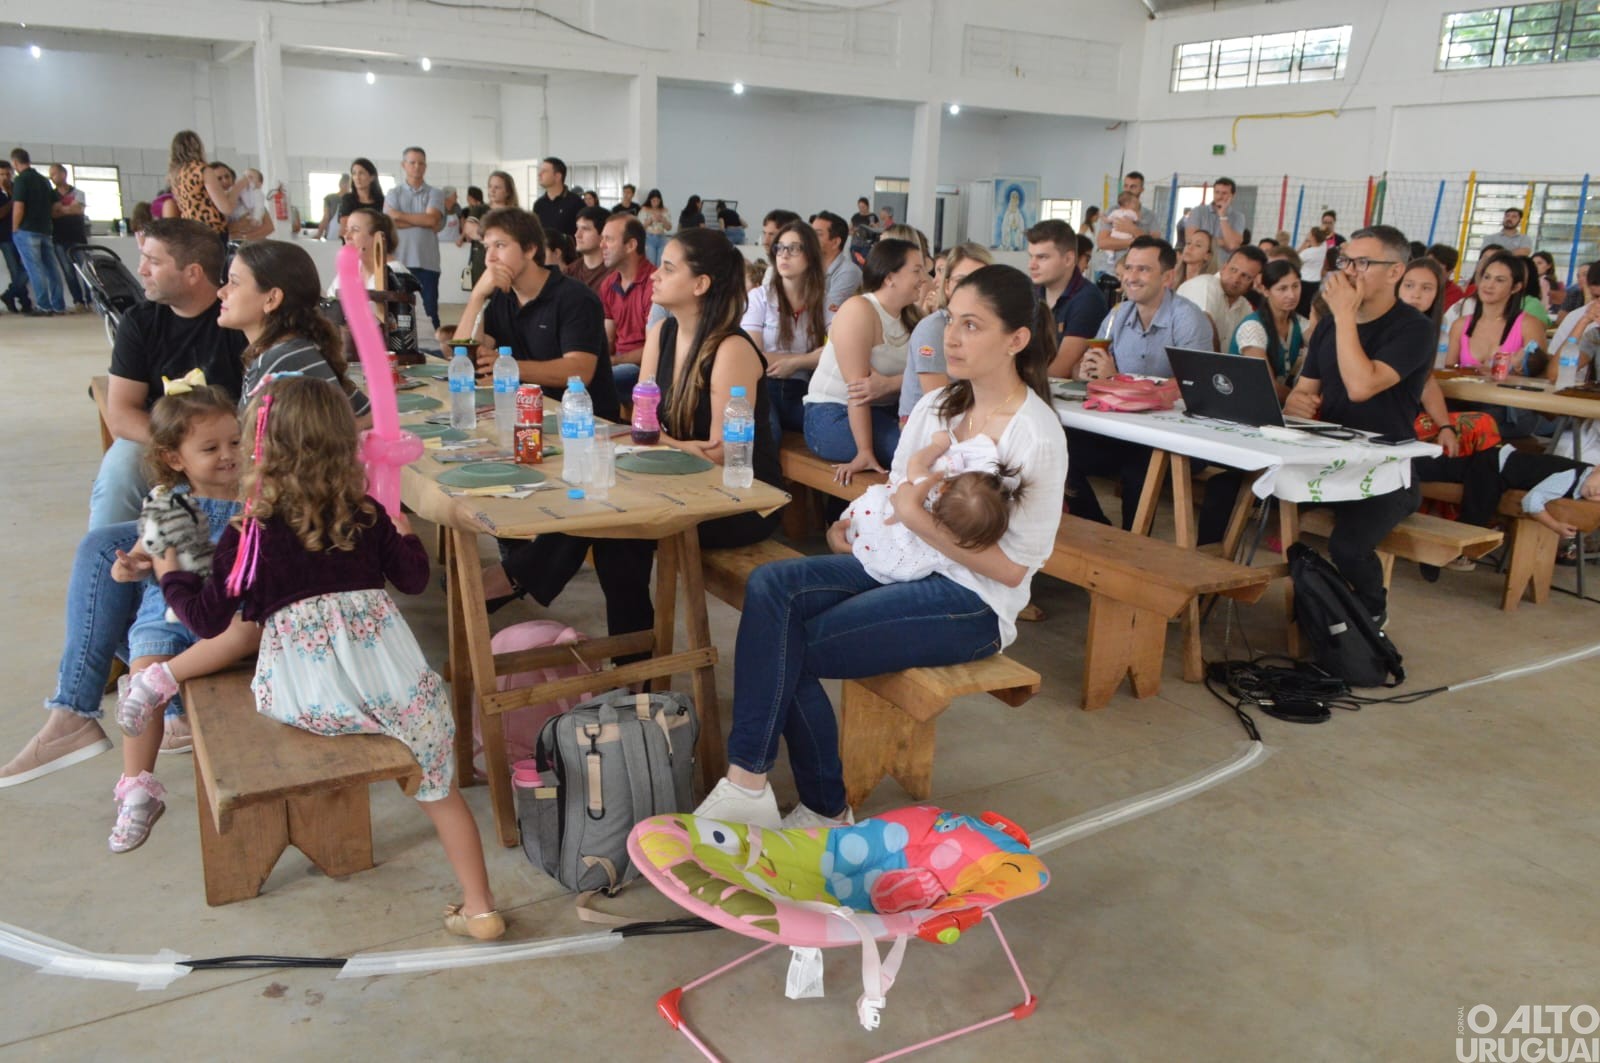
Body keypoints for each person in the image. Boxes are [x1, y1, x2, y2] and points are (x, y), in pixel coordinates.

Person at [693, 264, 1067, 828]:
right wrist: (852, 519)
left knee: (796, 646)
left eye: (973, 325)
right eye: (951, 321)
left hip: (973, 599)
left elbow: (1015, 569)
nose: (953, 338)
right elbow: (895, 487)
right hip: (902, 563)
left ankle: (820, 805)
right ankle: (749, 781)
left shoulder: (1035, 433)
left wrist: (918, 519)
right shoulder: (942, 407)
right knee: (772, 585)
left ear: (1016, 340)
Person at [158, 375, 504, 939]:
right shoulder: (366, 511)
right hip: (395, 691)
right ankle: (481, 906)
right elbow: (415, 581)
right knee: (438, 788)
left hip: (306, 700)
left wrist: (170, 575)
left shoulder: (250, 533)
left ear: (261, 449)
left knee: (245, 652)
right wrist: (404, 531)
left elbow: (206, 620)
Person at [479, 228, 777, 639]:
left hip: (740, 498)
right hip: (681, 474)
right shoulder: (664, 333)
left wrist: (656, 441)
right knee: (607, 518)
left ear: (701, 284)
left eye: (668, 268)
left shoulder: (730, 349)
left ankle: (515, 579)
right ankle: (633, 668)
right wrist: (648, 440)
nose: (655, 275)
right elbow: (645, 424)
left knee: (617, 529)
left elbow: (723, 452)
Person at [101, 387, 257, 851]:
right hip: (169, 611)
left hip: (228, 614)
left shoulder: (257, 495)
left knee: (247, 632)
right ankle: (136, 789)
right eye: (210, 448)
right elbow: (140, 555)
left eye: (235, 441)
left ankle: (159, 681)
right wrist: (126, 566)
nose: (229, 455)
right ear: (174, 458)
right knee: (142, 668)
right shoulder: (168, 502)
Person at [1282, 226, 1434, 625]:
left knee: (1348, 546)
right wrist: (1296, 402)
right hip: (1330, 456)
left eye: (1363, 263)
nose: (1349, 272)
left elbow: (1361, 386)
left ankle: (1369, 616)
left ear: (1394, 272)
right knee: (1239, 492)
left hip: (1387, 468)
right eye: (1345, 261)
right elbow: (1305, 392)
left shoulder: (1413, 328)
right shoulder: (1331, 325)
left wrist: (1345, 315)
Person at [92, 219, 248, 528]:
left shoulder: (239, 320)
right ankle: (113, 561)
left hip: (233, 444)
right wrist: (183, 450)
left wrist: (215, 448)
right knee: (121, 470)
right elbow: (122, 414)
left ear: (192, 273)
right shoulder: (139, 322)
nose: (141, 270)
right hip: (158, 439)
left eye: (153, 261)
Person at [1069, 237, 1211, 530]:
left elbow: (1194, 387)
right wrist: (1086, 371)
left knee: (1139, 472)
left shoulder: (1188, 319)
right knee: (1059, 449)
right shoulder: (1117, 315)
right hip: (1126, 431)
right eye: (1129, 268)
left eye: (1144, 270)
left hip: (1176, 439)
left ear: (1168, 277)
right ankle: (1102, 531)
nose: (1131, 277)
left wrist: (1117, 380)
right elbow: (1092, 370)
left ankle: (1134, 550)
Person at [456, 207, 616, 417]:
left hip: (581, 424)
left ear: (530, 249)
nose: (490, 258)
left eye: (500, 245)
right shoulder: (500, 297)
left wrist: (507, 367)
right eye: (486, 248)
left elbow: (579, 370)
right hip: (525, 414)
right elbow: (462, 360)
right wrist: (476, 296)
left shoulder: (577, 298)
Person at [802, 238, 924, 482]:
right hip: (834, 412)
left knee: (929, 445)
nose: (924, 278)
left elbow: (925, 376)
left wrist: (891, 384)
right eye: (917, 270)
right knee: (909, 452)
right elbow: (857, 390)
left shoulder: (912, 317)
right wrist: (864, 452)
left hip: (884, 411)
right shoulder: (858, 309)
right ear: (890, 277)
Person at [834, 429, 1022, 584]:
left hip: (867, 518)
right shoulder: (949, 539)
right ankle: (859, 550)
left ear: (946, 486)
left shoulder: (929, 489)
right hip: (886, 555)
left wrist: (938, 445)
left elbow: (915, 462)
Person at [222, 241, 370, 417]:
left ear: (272, 299)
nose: (222, 292)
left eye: (234, 282)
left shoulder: (280, 362)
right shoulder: (296, 348)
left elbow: (252, 442)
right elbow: (367, 414)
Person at [745, 220, 831, 436]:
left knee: (827, 430)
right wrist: (811, 357)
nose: (784, 255)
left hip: (804, 390)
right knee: (769, 433)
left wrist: (797, 363)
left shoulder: (823, 302)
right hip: (762, 387)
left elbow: (838, 351)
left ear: (810, 255)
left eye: (793, 249)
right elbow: (752, 355)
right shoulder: (759, 298)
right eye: (779, 248)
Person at [899, 243, 992, 420]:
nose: (971, 289)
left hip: (966, 414)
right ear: (947, 285)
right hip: (924, 424)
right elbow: (939, 405)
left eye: (981, 281)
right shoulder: (933, 328)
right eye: (962, 281)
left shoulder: (988, 326)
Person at [329, 208, 423, 358]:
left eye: (355, 230)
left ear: (377, 237)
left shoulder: (396, 274)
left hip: (413, 355)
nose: (346, 236)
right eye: (347, 230)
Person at [1025, 220, 1106, 378]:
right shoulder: (1030, 292)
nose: (1031, 265)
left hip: (1063, 395)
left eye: (1042, 257)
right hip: (1030, 384)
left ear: (1068, 259)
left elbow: (1061, 370)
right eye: (1031, 256)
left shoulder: (1088, 300)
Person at [384, 147, 445, 331]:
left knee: (429, 310)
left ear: (425, 166)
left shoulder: (435, 193)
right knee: (398, 310)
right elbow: (390, 221)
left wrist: (401, 216)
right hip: (399, 262)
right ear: (404, 165)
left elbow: (432, 219)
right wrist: (422, 221)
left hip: (427, 264)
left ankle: (435, 353)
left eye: (421, 163)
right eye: (412, 162)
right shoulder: (393, 193)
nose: (417, 167)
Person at [1230, 258, 1308, 394]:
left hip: (1275, 404)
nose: (1291, 295)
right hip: (1244, 402)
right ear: (1265, 291)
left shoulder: (1298, 322)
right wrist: (1297, 400)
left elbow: (1321, 343)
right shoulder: (1252, 327)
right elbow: (1265, 385)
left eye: (1296, 286)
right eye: (1282, 288)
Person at [599, 211, 655, 396]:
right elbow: (608, 338)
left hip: (645, 368)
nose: (602, 246)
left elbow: (657, 347)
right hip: (618, 363)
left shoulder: (655, 283)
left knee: (601, 381)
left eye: (609, 239)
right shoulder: (609, 284)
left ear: (631, 245)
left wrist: (613, 361)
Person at [8, 148, 67, 315]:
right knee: (51, 269)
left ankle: (43, 305)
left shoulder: (21, 180)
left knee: (35, 269)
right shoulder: (43, 180)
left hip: (27, 230)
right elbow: (56, 206)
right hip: (46, 230)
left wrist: (14, 228)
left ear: (15, 163)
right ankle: (58, 305)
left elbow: (19, 206)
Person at [1179, 245, 1267, 350]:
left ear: (1254, 282)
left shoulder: (1244, 306)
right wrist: (1219, 365)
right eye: (1233, 270)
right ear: (1224, 267)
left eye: (1246, 276)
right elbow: (1205, 329)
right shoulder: (1205, 284)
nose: (1236, 279)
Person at [47, 163, 91, 311]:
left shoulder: (78, 193)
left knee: (85, 269)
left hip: (78, 237)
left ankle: (90, 300)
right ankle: (78, 301)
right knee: (68, 272)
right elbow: (53, 213)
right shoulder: (51, 195)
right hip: (60, 238)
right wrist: (69, 209)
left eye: (54, 174)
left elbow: (78, 210)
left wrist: (61, 209)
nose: (52, 177)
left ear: (63, 174)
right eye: (50, 175)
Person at [166, 131, 228, 237]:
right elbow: (226, 207)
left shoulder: (175, 174)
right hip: (211, 229)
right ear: (198, 147)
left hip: (190, 229)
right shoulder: (202, 170)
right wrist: (242, 184)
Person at [462, 169, 516, 288]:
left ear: (508, 192)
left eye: (497, 187)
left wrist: (485, 234)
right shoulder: (480, 209)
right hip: (481, 266)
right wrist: (499, 240)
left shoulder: (515, 214)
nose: (492, 190)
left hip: (508, 266)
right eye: (490, 186)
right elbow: (469, 229)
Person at [811, 210, 864, 315]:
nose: (809, 239)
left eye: (818, 234)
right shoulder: (808, 267)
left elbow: (826, 313)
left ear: (835, 242)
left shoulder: (849, 272)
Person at [0, 158, 34, 314]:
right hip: (5, 237)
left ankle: (10, 295)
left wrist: (13, 194)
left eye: (8, 174)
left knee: (26, 268)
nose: (5, 177)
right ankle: (24, 303)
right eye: (1, 174)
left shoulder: (16, 187)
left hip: (21, 234)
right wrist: (14, 200)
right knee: (15, 270)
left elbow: (25, 208)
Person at [1185, 177, 1247, 255]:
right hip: (1200, 264)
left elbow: (1232, 245)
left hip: (1223, 265)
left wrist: (1222, 216)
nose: (1220, 196)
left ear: (1232, 195)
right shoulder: (1198, 211)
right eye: (1217, 192)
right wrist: (1222, 242)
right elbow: (1190, 239)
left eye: (1224, 193)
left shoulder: (1238, 217)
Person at [564, 205, 612, 295]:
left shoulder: (616, 275)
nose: (577, 235)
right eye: (577, 228)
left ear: (603, 235)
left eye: (585, 229)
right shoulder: (569, 272)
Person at [532, 157, 582, 238]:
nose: (539, 174)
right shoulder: (539, 204)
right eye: (540, 171)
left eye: (544, 171)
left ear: (557, 176)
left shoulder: (575, 202)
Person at [337, 158, 385, 237]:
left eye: (361, 173)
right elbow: (345, 228)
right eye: (354, 173)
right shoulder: (348, 199)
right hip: (353, 245)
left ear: (372, 177)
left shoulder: (382, 200)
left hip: (377, 246)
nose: (357, 177)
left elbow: (386, 228)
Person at [640, 188, 673, 266]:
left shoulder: (665, 210)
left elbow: (669, 228)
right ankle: (651, 278)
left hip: (662, 238)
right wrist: (650, 220)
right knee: (651, 263)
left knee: (660, 263)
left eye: (657, 201)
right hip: (649, 238)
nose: (655, 203)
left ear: (660, 201)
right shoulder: (644, 209)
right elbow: (640, 227)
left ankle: (659, 278)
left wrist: (662, 220)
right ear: (650, 200)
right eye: (653, 201)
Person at [315, 174, 349, 240]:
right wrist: (319, 234)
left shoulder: (329, 198)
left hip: (332, 235)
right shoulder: (330, 198)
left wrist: (319, 234)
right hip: (345, 236)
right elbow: (325, 218)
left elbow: (325, 218)